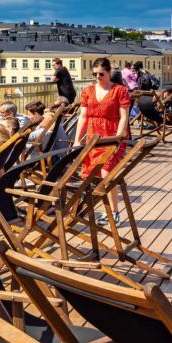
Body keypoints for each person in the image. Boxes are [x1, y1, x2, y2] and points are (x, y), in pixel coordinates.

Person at [75, 58, 130, 223]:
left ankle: (114, 211)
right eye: (95, 74)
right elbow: (83, 117)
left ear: (109, 73)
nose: (97, 76)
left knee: (107, 172)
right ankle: (91, 208)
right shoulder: (87, 91)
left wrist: (118, 138)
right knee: (90, 174)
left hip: (113, 136)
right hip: (94, 138)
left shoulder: (120, 91)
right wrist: (77, 140)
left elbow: (124, 117)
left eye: (101, 74)